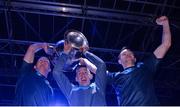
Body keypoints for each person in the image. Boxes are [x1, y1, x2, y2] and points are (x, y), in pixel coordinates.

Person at [107, 16, 171, 106]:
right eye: (124, 54)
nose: (127, 55)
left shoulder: (145, 66)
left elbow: (166, 44)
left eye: (130, 53)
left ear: (135, 58)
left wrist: (165, 23)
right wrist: (85, 56)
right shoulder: (115, 76)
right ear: (119, 61)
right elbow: (98, 69)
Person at [53, 40, 107, 106]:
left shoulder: (98, 87)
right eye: (79, 73)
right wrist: (65, 53)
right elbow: (56, 72)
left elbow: (101, 65)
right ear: (76, 79)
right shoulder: (71, 90)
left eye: (85, 72)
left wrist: (85, 52)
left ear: (91, 76)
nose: (82, 75)